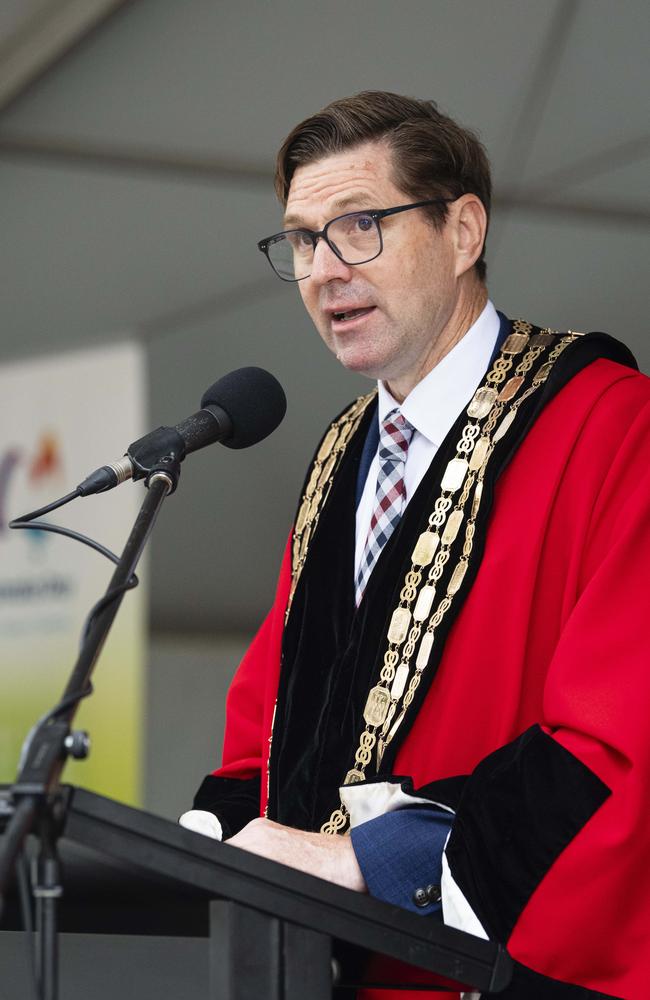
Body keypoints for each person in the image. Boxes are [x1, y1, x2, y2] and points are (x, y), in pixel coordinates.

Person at [181, 92, 650, 999]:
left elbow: (622, 737)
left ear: (463, 230)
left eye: (361, 226)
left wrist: (376, 857)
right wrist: (207, 838)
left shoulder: (611, 424)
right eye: (303, 240)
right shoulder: (341, 454)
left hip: (492, 972)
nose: (323, 270)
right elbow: (268, 730)